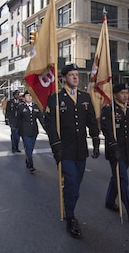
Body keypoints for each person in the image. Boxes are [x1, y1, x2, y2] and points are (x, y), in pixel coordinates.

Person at [44, 64, 100, 238]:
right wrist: (56, 147)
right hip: (65, 149)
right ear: (64, 78)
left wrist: (96, 140)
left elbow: (91, 119)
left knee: (75, 186)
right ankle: (70, 217)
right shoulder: (55, 98)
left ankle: (68, 203)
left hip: (81, 150)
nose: (76, 77)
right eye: (71, 75)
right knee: (72, 185)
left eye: (77, 75)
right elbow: (50, 125)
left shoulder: (84, 97)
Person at [100, 83, 129, 223]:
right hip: (115, 151)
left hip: (127, 150)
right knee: (122, 180)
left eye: (127, 92)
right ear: (114, 95)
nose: (126, 95)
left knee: (117, 178)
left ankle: (109, 201)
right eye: (122, 93)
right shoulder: (108, 110)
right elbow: (107, 131)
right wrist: (114, 148)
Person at [16, 91, 45, 173]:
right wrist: (16, 129)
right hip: (25, 131)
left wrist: (47, 129)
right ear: (24, 97)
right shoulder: (21, 107)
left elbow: (41, 119)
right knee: (28, 147)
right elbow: (17, 119)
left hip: (34, 131)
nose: (29, 97)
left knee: (31, 148)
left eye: (31, 96)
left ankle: (28, 160)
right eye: (27, 96)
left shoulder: (36, 107)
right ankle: (31, 164)